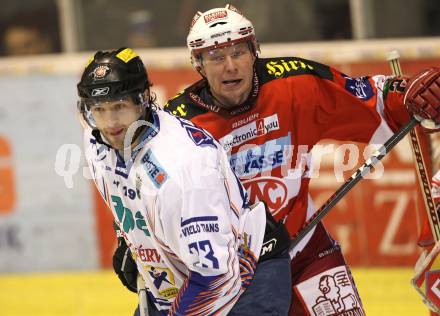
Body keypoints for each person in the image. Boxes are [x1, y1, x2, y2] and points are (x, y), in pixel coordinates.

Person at [162, 4, 440, 315]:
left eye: (238, 51)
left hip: (306, 250)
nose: (230, 66)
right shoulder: (177, 126)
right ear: (197, 63)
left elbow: (369, 100)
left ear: (254, 51)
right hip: (234, 273)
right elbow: (148, 194)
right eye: (215, 56)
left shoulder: (295, 83)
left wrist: (405, 96)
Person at [77, 47, 292, 315]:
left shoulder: (183, 170)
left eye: (120, 107)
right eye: (99, 109)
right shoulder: (97, 139)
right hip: (184, 278)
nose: (110, 122)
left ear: (142, 99)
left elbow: (215, 277)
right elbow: (126, 194)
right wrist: (127, 239)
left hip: (247, 279)